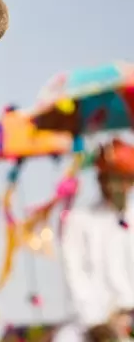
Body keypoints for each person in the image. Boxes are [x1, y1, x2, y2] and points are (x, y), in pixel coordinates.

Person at [56, 139, 134, 342]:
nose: (112, 185)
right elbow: (74, 274)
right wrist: (94, 322)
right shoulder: (79, 220)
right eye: (106, 178)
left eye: (119, 178)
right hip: (91, 325)